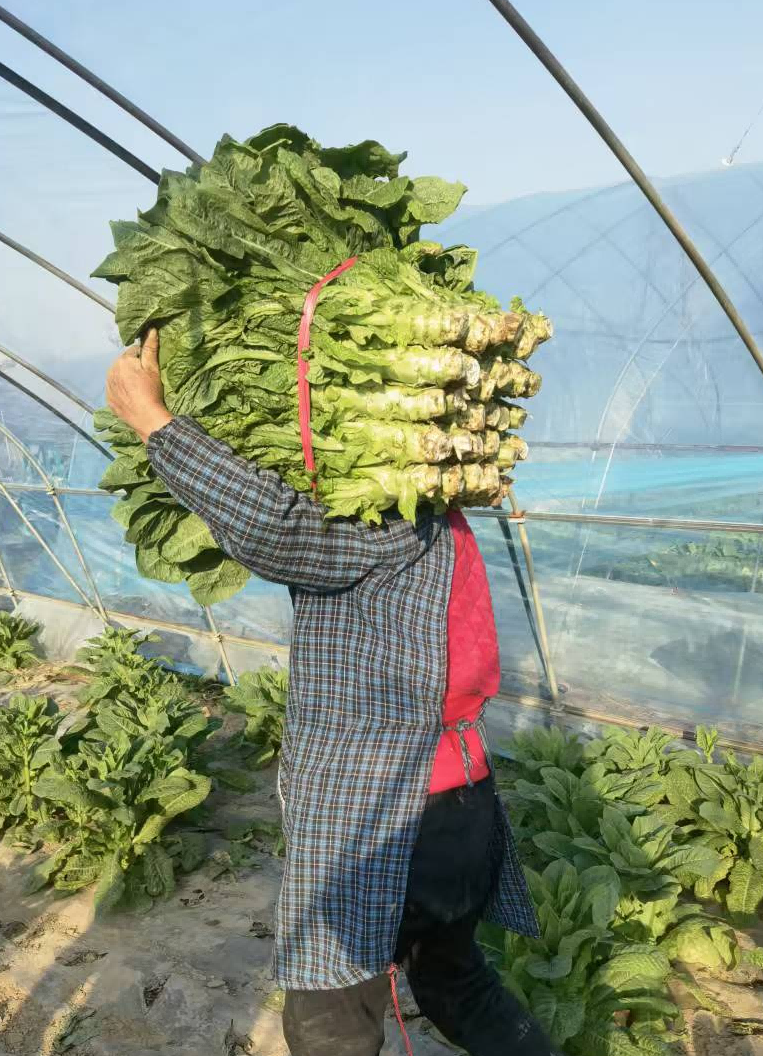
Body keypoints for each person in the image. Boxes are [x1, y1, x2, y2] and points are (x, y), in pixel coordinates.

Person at [106, 329, 561, 1056]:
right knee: (456, 983)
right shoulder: (438, 515)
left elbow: (276, 527)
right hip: (461, 806)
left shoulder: (387, 520)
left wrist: (156, 424)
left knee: (330, 1023)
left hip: (392, 817)